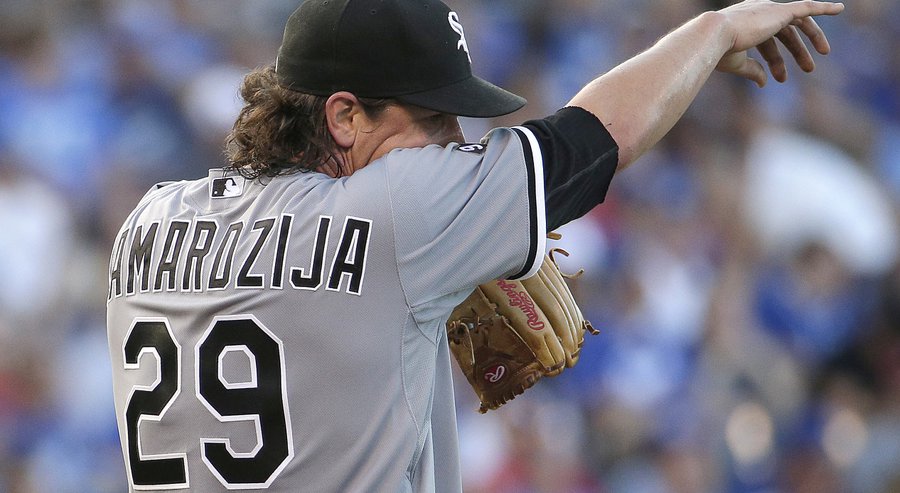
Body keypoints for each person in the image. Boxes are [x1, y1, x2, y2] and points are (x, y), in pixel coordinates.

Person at [106, 0, 845, 491]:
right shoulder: (398, 212)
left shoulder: (147, 221)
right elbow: (594, 139)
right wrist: (711, 29)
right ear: (343, 117)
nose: (456, 142)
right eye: (436, 119)